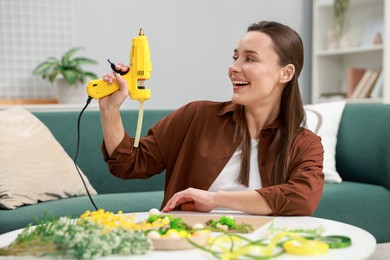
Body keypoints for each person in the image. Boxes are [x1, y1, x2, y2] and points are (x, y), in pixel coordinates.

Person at [98, 21, 324, 216]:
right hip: (190, 243)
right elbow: (129, 164)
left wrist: (216, 199)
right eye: (235, 57)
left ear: (286, 73)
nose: (233, 67)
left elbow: (302, 198)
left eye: (250, 59)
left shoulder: (305, 144)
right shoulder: (196, 117)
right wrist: (110, 110)